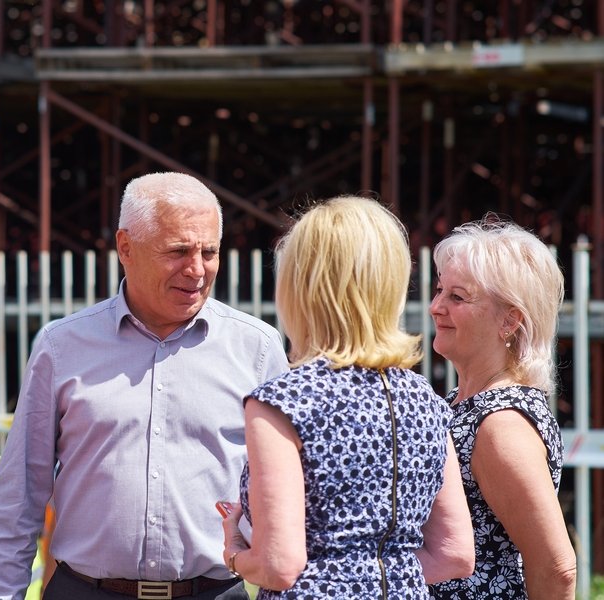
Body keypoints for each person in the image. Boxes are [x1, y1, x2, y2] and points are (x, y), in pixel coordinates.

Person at [0, 171, 289, 600]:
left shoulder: (256, 348)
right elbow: (17, 499)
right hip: (86, 591)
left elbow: (293, 497)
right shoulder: (61, 346)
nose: (197, 269)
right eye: (179, 250)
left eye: (210, 252)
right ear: (125, 247)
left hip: (214, 592)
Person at [221, 195, 475, 598]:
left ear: (300, 287)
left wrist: (234, 551)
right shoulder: (425, 399)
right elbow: (454, 555)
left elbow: (279, 564)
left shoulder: (284, 401)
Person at [428, 217, 576, 599]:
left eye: (457, 297)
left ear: (509, 321)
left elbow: (556, 568)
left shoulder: (500, 424)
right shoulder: (465, 403)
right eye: (440, 290)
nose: (435, 307)